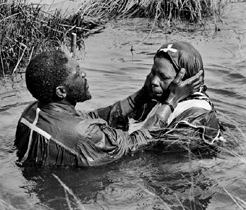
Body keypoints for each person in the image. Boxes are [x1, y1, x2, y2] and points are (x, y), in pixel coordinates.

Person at [14, 48, 203, 168]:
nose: (85, 74)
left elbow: (91, 117)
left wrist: (142, 94)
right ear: (61, 91)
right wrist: (172, 99)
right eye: (78, 74)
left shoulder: (32, 111)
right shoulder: (82, 134)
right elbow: (135, 143)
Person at [130, 41, 225, 151]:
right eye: (153, 73)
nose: (154, 81)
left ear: (187, 82)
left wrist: (171, 100)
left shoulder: (197, 116)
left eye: (163, 77)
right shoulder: (159, 99)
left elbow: (162, 156)